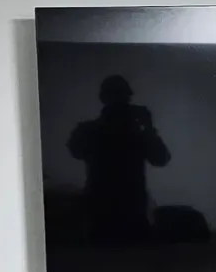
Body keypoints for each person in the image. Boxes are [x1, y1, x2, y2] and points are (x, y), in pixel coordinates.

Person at [67, 75, 171, 245]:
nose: (122, 104)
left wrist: (148, 129)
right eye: (119, 98)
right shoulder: (95, 131)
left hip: (119, 212)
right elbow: (161, 159)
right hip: (112, 212)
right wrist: (147, 129)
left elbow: (161, 159)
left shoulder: (94, 130)